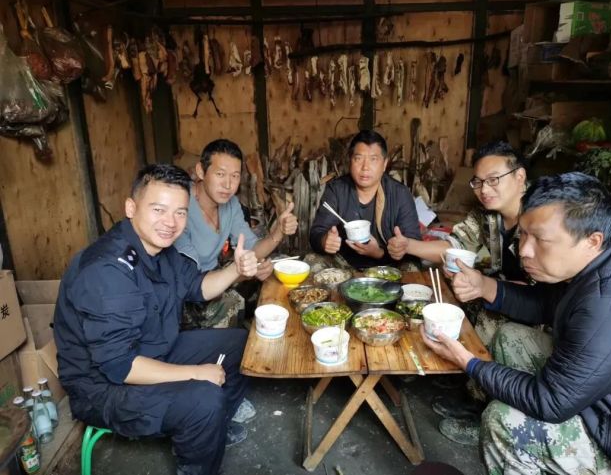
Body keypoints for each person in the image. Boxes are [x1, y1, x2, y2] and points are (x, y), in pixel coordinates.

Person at [423, 172, 611, 475]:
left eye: (541, 239)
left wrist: (469, 362)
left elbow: (550, 402)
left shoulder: (609, 309)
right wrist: (484, 285)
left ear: (591, 241)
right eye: (524, 234)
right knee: (510, 337)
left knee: (503, 420)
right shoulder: (605, 255)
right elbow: (547, 304)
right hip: (596, 396)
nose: (524, 250)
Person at [54, 164, 259, 475]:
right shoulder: (107, 270)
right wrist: (196, 373)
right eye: (158, 210)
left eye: (180, 212)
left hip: (152, 350)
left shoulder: (161, 251)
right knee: (204, 397)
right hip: (103, 388)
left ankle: (211, 426)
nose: (170, 222)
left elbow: (198, 287)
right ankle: (199, 451)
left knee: (241, 343)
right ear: (131, 208)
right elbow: (119, 366)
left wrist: (236, 270)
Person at [388, 142, 530, 444]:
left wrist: (486, 286)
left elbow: (549, 288)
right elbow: (454, 245)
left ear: (520, 176)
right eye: (478, 182)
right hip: (502, 291)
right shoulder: (487, 216)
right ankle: (470, 387)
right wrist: (408, 245)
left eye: (494, 179)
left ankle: (486, 412)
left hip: (542, 310)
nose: (484, 189)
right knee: (450, 301)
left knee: (487, 321)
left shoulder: (540, 215)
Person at [174, 139, 298, 329]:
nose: (228, 185)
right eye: (220, 174)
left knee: (271, 276)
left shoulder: (230, 205)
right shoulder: (180, 207)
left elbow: (253, 248)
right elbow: (194, 284)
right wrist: (241, 272)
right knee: (233, 301)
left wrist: (278, 232)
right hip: (187, 295)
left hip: (215, 279)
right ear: (201, 171)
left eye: (235, 176)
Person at [308, 129, 421, 270]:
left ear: (384, 164)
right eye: (358, 159)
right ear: (350, 161)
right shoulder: (337, 189)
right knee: (311, 260)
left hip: (389, 265)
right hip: (345, 265)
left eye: (373, 159)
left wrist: (381, 253)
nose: (365, 167)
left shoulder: (400, 193)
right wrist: (325, 240)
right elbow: (317, 232)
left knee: (412, 267)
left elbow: (413, 244)